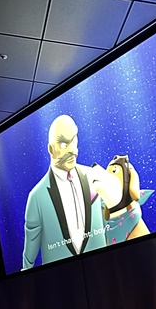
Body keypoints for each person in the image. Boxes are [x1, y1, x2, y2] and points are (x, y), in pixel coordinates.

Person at [22, 114, 107, 269]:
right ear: (51, 149)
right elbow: (29, 253)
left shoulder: (95, 177)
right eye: (63, 145)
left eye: (74, 141)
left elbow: (110, 222)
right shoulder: (37, 197)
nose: (72, 150)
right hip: (61, 282)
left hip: (104, 270)